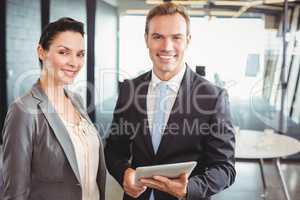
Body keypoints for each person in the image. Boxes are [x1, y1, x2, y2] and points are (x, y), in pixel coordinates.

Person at [104, 2, 235, 200]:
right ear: (146, 39)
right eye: (158, 37)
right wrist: (124, 172)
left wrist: (189, 189)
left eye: (176, 38)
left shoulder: (213, 97)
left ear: (188, 40)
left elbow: (224, 168)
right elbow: (114, 150)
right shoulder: (129, 90)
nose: (167, 47)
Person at [1, 17, 106, 200]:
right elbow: (14, 193)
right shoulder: (24, 110)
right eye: (64, 52)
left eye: (80, 54)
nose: (75, 62)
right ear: (42, 52)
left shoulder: (77, 101)